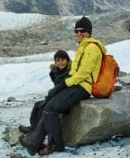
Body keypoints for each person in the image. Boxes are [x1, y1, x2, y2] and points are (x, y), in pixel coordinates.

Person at [19, 16, 107, 156]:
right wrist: (60, 87)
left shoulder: (91, 48)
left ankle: (56, 145)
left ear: (89, 32)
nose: (79, 33)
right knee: (48, 105)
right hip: (76, 85)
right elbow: (75, 71)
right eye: (76, 31)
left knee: (52, 108)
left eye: (82, 31)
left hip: (83, 87)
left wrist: (64, 84)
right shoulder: (83, 47)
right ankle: (35, 140)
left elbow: (83, 74)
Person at [18, 49, 71, 134]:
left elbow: (62, 87)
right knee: (37, 105)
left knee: (43, 107)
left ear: (67, 60)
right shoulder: (55, 72)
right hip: (57, 96)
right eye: (58, 61)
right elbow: (56, 87)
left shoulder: (70, 72)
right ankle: (33, 127)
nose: (61, 63)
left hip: (66, 98)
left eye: (63, 60)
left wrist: (50, 96)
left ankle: (34, 130)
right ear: (55, 62)